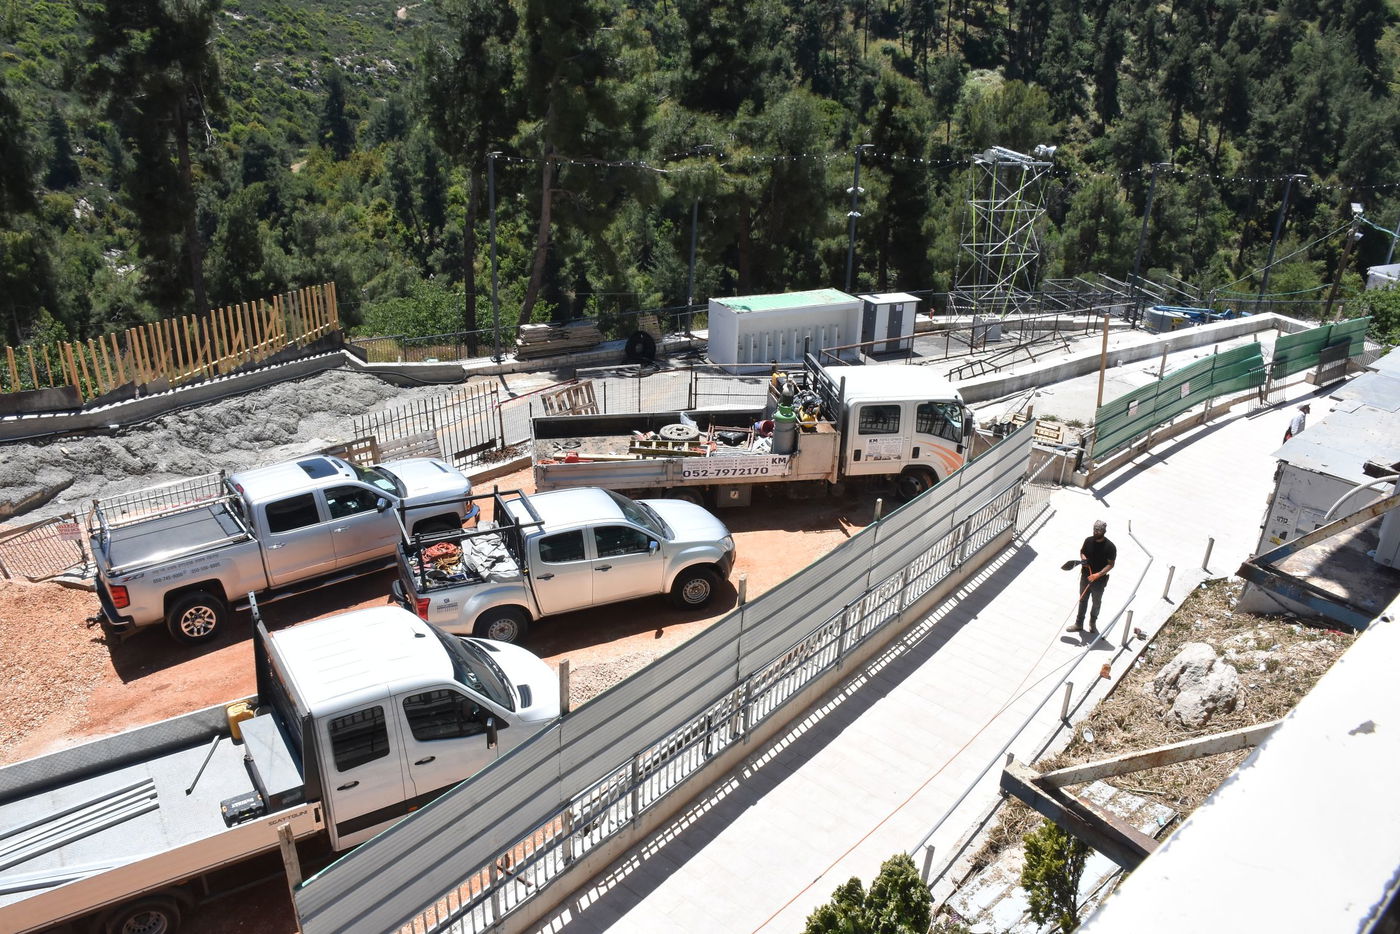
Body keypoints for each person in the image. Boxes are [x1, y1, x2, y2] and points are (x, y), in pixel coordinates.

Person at [1068, 519, 1116, 637]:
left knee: (1096, 602)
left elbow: (1111, 564)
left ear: (1104, 531)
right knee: (1083, 600)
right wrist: (1083, 558)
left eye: (1098, 530)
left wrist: (1098, 574)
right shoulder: (1088, 540)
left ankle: (1092, 623)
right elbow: (1082, 551)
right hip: (1085, 576)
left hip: (1099, 581)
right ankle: (1079, 624)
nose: (1095, 532)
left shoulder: (1110, 547)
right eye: (1094, 529)